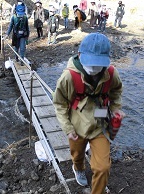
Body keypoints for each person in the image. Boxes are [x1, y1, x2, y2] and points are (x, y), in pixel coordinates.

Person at [53, 33, 124, 194]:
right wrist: (68, 128)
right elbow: (59, 103)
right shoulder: (68, 77)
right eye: (90, 63)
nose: (93, 68)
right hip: (77, 123)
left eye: (97, 64)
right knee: (77, 154)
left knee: (102, 167)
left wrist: (116, 109)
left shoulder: (111, 74)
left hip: (100, 123)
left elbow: (116, 92)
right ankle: (78, 168)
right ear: (80, 55)